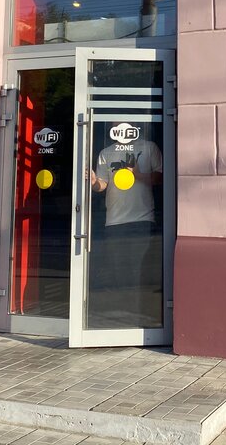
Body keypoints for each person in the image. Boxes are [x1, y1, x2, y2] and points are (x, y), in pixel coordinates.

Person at [88, 123, 163, 325]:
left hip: (142, 219)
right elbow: (102, 185)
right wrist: (94, 182)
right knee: (119, 272)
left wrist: (137, 174)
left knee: (139, 270)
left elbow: (160, 177)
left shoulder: (148, 147)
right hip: (114, 220)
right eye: (116, 123)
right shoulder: (106, 153)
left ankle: (140, 313)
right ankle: (126, 314)